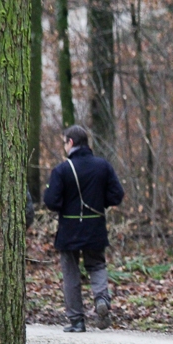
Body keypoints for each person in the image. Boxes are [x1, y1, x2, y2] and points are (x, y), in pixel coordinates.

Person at [44, 125, 125, 332]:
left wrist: (65, 203)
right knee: (97, 265)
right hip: (95, 226)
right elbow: (117, 195)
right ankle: (101, 299)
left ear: (70, 142)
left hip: (69, 228)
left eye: (64, 142)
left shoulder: (62, 170)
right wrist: (99, 202)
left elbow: (51, 201)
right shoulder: (103, 166)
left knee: (70, 272)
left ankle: (77, 320)